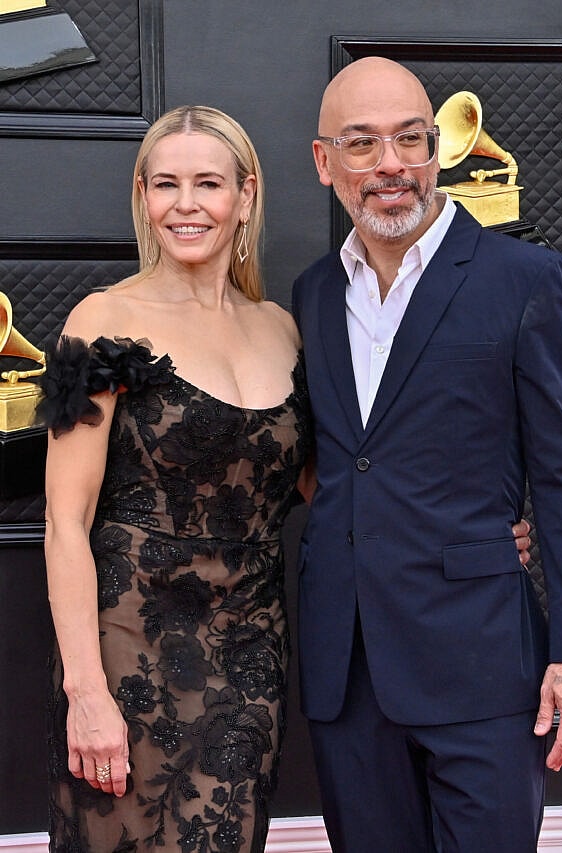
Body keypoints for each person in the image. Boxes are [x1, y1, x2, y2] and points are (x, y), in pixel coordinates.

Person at [291, 56, 562, 853]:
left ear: (438, 149)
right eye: (362, 144)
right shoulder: (312, 294)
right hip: (348, 668)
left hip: (481, 664)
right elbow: (340, 464)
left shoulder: (526, 278)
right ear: (324, 161)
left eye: (411, 138)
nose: (392, 164)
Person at [39, 105, 312, 853]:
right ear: (143, 194)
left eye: (207, 183)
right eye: (166, 184)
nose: (185, 204)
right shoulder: (102, 320)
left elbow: (335, 486)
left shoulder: (283, 328)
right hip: (132, 648)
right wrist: (85, 691)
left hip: (253, 650)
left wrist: (474, 522)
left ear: (246, 194)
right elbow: (64, 521)